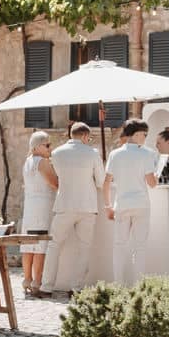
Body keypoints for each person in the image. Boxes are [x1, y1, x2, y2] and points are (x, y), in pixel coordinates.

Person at [40, 123, 103, 294]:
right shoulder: (92, 153)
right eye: (88, 138)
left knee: (54, 246)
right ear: (84, 136)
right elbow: (100, 181)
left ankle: (46, 287)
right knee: (84, 247)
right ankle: (76, 288)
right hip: (87, 206)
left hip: (64, 204)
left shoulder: (57, 153)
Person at [103, 118, 160, 285]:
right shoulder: (147, 154)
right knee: (140, 247)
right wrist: (156, 176)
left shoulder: (115, 154)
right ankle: (138, 286)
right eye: (144, 134)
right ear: (136, 134)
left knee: (119, 247)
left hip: (121, 205)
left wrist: (107, 206)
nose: (145, 137)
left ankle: (118, 285)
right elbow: (152, 183)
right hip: (141, 204)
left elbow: (106, 182)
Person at [20, 131, 58, 297]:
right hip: (42, 206)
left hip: (30, 206)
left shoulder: (28, 161)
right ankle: (37, 282)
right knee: (40, 244)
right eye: (47, 145)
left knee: (29, 244)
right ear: (37, 146)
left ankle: (27, 279)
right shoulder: (42, 162)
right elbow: (54, 183)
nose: (50, 148)